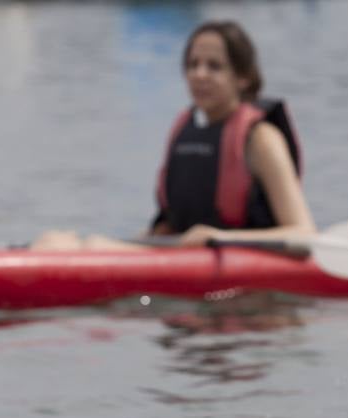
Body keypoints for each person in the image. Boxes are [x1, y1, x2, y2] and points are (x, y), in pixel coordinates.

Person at [32, 20, 315, 252]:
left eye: (214, 66)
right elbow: (167, 230)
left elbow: (304, 234)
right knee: (57, 243)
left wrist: (220, 238)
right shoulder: (185, 133)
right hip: (185, 256)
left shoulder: (262, 140)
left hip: (238, 265)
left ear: (243, 78)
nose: (199, 75)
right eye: (193, 65)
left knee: (92, 247)